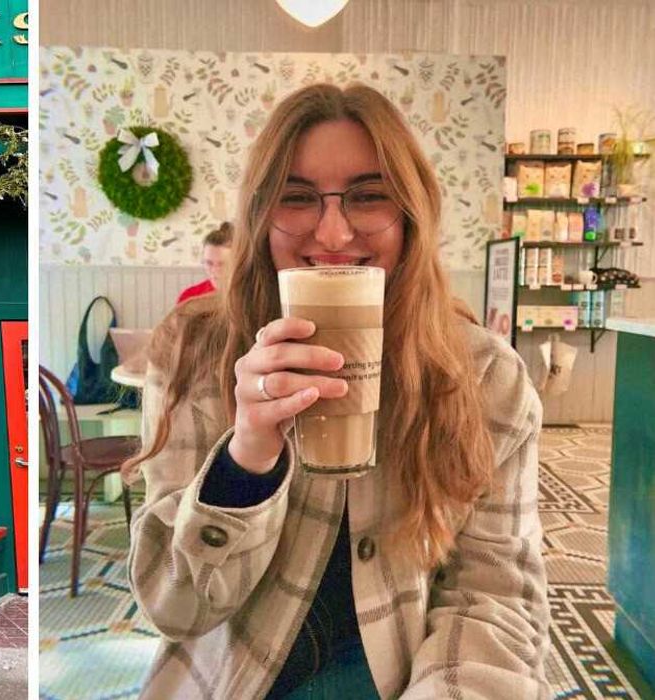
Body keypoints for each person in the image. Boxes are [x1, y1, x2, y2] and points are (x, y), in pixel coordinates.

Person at [125, 83, 549, 699]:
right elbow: (176, 608)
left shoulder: (486, 378)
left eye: (369, 196)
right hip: (230, 674)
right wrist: (247, 456)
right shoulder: (195, 349)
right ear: (260, 215)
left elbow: (495, 599)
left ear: (411, 213)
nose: (331, 233)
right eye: (296, 197)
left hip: (406, 672)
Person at [177, 222, 233, 303]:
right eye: (209, 263)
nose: (214, 270)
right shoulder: (189, 297)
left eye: (222, 264)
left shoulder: (248, 297)